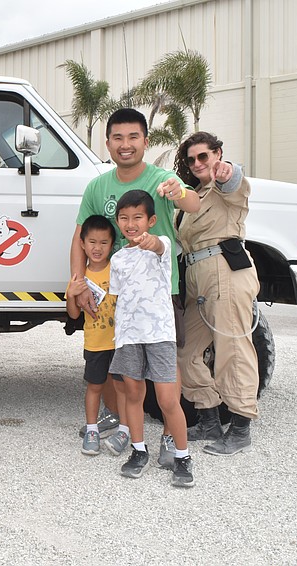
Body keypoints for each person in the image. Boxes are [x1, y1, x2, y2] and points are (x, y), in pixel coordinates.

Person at [69, 108, 200, 469]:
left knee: (165, 369)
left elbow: (193, 202)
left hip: (161, 292)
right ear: (108, 142)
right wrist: (79, 284)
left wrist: (180, 191)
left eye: (132, 137)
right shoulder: (98, 186)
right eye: (117, 138)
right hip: (117, 296)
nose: (125, 145)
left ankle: (173, 439)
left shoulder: (162, 177)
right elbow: (79, 238)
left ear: (145, 140)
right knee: (124, 369)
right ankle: (130, 431)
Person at [173, 132, 260, 456]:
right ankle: (208, 419)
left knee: (232, 348)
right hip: (196, 277)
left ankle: (240, 428)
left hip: (224, 271)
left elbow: (236, 184)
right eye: (192, 159)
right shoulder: (191, 195)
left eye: (204, 157)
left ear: (217, 154)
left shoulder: (225, 188)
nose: (198, 164)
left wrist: (229, 172)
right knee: (186, 350)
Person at [108, 190, 194, 488]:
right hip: (129, 337)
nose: (130, 224)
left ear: (151, 220)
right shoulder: (117, 259)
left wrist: (151, 241)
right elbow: (117, 298)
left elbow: (157, 245)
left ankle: (182, 457)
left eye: (137, 218)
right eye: (124, 218)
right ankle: (139, 450)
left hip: (159, 335)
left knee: (168, 399)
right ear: (117, 221)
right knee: (133, 395)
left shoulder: (163, 246)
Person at [65, 215, 129, 457]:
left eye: (104, 243)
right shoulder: (79, 278)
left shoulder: (118, 270)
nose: (97, 248)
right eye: (92, 242)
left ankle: (123, 430)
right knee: (94, 386)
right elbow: (73, 315)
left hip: (121, 342)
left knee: (122, 388)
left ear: (112, 245)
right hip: (95, 343)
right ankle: (92, 430)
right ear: (82, 244)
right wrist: (72, 294)